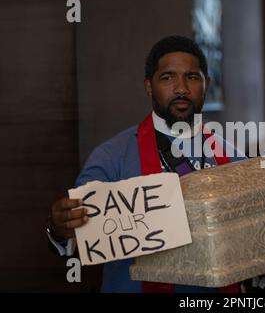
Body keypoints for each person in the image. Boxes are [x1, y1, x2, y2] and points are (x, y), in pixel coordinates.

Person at [46, 36, 249, 293]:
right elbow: (75, 241)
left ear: (206, 84)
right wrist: (59, 228)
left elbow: (253, 244)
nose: (181, 88)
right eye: (168, 78)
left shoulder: (235, 159)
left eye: (192, 77)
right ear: (149, 87)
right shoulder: (111, 157)